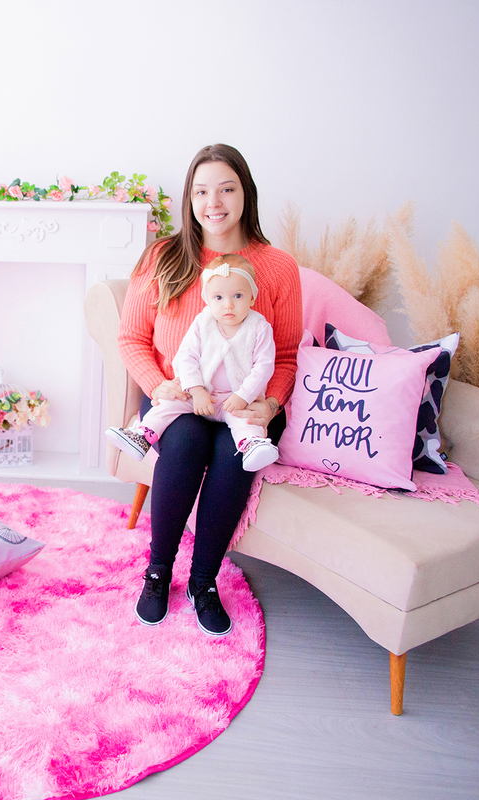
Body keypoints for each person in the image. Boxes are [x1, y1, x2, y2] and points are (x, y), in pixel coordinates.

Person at [117, 144, 301, 636]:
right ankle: (158, 572)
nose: (213, 201)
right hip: (176, 395)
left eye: (226, 188)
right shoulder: (163, 256)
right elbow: (131, 338)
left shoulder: (277, 266)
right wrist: (162, 387)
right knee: (187, 440)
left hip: (246, 399)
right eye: (201, 191)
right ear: (189, 198)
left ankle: (203, 581)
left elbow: (283, 357)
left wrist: (269, 404)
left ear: (246, 194)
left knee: (233, 452)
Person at [105, 254, 280, 473]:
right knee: (168, 404)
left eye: (237, 296)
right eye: (218, 297)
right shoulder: (202, 322)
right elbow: (186, 357)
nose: (228, 305)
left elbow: (263, 367)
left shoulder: (259, 328)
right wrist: (196, 390)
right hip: (199, 395)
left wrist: (243, 395)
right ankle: (143, 436)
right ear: (207, 298)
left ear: (252, 297)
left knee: (246, 420)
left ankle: (252, 446)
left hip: (234, 399)